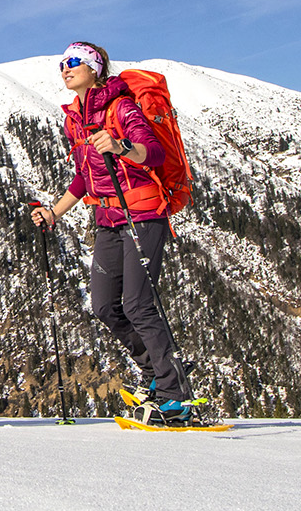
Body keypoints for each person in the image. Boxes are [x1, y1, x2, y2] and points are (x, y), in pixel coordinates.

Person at [30, 42, 195, 423]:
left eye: (74, 62)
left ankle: (175, 395)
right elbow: (84, 177)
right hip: (106, 219)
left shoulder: (121, 107)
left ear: (95, 68)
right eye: (62, 63)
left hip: (143, 214)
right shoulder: (74, 119)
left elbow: (153, 152)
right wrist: (53, 213)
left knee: (139, 305)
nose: (65, 68)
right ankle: (156, 373)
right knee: (104, 306)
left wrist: (121, 146)